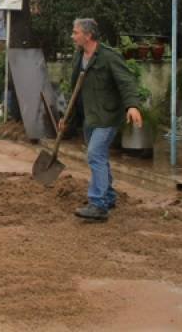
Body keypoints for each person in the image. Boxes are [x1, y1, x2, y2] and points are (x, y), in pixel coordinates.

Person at [60, 18, 142, 222]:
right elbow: (75, 91)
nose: (73, 36)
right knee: (100, 157)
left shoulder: (108, 57)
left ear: (88, 35)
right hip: (89, 116)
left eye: (75, 32)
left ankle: (98, 205)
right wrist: (67, 118)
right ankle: (108, 196)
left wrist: (132, 105)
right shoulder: (79, 56)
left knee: (95, 154)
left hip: (107, 116)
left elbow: (126, 82)